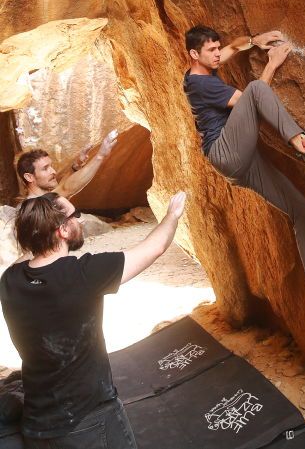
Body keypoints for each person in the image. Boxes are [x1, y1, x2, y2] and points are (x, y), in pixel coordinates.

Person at [183, 25, 305, 310]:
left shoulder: (203, 68)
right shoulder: (200, 83)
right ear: (194, 54)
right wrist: (273, 62)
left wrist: (255, 40)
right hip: (226, 151)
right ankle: (302, 143)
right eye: (211, 51)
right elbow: (251, 100)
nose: (218, 55)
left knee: (301, 209)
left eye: (217, 49)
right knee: (255, 88)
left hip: (241, 163)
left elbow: (233, 47)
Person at [0, 189, 187, 448]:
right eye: (75, 216)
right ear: (62, 231)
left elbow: (30, 257)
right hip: (89, 421)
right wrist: (172, 214)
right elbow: (154, 248)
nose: (81, 220)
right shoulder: (82, 275)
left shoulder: (11, 280)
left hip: (37, 424)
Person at [16, 130, 119, 200]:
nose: (53, 171)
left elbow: (62, 187)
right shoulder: (36, 204)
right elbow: (66, 189)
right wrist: (100, 156)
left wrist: (76, 165)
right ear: (29, 177)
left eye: (51, 166)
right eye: (45, 169)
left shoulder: (42, 199)